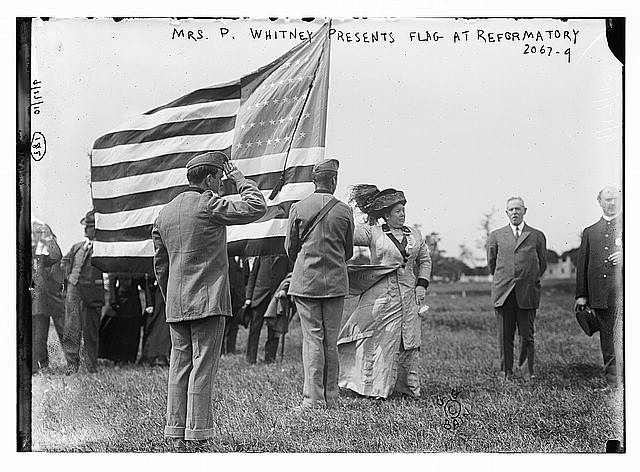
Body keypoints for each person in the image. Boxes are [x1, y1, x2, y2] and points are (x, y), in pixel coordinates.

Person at [152, 151, 266, 449]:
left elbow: (160, 266)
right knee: (203, 367)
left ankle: (175, 433)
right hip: (207, 301)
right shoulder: (208, 203)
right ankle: (198, 435)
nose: (219, 184)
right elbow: (256, 206)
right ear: (211, 179)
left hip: (177, 304)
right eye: (218, 179)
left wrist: (171, 299)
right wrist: (240, 180)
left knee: (180, 367)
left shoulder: (164, 213)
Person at [338, 185, 432, 399]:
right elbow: (348, 234)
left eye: (403, 211)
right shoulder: (374, 233)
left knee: (409, 341)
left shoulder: (414, 234)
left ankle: (408, 389)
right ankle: (372, 389)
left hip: (409, 297)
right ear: (387, 216)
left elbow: (425, 260)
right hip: (380, 297)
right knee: (377, 340)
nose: (402, 215)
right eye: (397, 212)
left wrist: (421, 284)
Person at [285, 158, 354, 409]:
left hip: (306, 282)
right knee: (330, 341)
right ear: (334, 180)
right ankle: (332, 398)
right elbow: (348, 251)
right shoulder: (344, 210)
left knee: (312, 340)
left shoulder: (299, 207)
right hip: (335, 282)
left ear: (315, 181)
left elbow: (290, 248)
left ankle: (312, 400)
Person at [487, 197, 547, 381]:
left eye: (518, 209)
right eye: (511, 209)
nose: (515, 212)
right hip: (503, 293)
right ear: (506, 213)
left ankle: (528, 372)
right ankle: (506, 372)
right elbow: (491, 263)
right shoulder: (496, 235)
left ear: (525, 211)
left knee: (527, 335)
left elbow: (542, 263)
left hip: (527, 292)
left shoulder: (536, 235)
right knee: (505, 335)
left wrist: (528, 278)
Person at [575, 186, 623, 391]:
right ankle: (613, 384)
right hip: (602, 295)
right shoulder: (590, 232)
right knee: (608, 340)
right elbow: (583, 265)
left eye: (615, 199)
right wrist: (581, 295)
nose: (611, 203)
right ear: (599, 202)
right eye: (607, 199)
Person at [60, 210, 106, 375]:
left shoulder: (103, 248)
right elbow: (64, 261)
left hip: (93, 294)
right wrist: (69, 277)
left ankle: (91, 367)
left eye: (90, 226)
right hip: (74, 292)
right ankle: (71, 365)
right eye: (86, 226)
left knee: (90, 331)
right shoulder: (77, 247)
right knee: (71, 329)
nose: (86, 229)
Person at [31, 219, 65, 373]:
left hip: (48, 299)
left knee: (43, 334)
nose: (36, 235)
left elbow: (56, 255)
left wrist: (48, 237)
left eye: (39, 232)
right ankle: (37, 366)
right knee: (36, 335)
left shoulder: (46, 248)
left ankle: (41, 366)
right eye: (35, 233)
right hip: (35, 300)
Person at [244, 254, 291, 364]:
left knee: (274, 328)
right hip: (259, 297)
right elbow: (253, 276)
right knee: (254, 328)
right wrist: (248, 297)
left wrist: (285, 290)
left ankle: (270, 358)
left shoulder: (286, 256)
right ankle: (251, 359)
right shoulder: (262, 254)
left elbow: (290, 275)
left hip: (276, 297)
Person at [98, 273, 148, 364]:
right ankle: (116, 357)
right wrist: (113, 301)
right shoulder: (117, 267)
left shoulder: (137, 270)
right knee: (118, 332)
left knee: (131, 333)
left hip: (133, 305)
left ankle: (129, 358)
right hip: (120, 304)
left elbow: (144, 285)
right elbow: (112, 284)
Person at [138, 274, 171, 366]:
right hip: (157, 300)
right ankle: (151, 356)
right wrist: (149, 303)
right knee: (154, 328)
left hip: (167, 299)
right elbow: (149, 284)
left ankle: (162, 355)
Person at [222, 256, 249, 355]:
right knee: (224, 325)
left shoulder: (243, 259)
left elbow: (246, 277)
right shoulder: (227, 257)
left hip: (238, 298)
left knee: (234, 325)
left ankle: (230, 349)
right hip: (227, 297)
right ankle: (221, 351)